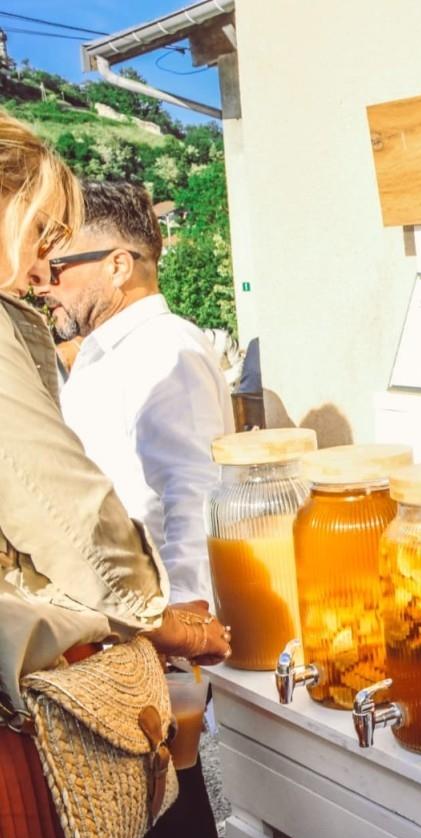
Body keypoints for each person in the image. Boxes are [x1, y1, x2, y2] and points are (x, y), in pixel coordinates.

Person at [0, 108, 228, 838]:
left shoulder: (166, 350)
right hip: (107, 640)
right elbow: (53, 497)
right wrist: (155, 617)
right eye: (41, 239)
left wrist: (177, 619)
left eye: (59, 254)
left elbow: (188, 491)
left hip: (131, 639)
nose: (42, 274)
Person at [32, 181, 234, 604]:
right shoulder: (108, 353)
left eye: (56, 269)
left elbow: (194, 493)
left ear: (118, 266)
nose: (42, 287)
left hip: (158, 631)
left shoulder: (164, 349)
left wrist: (187, 620)